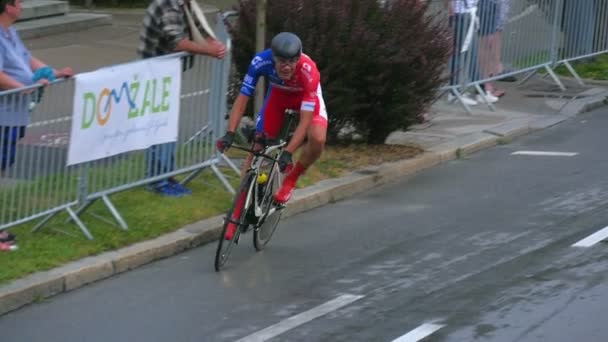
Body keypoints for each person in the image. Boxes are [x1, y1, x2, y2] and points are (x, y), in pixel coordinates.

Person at [216, 32, 328, 218]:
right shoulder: (261, 61)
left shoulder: (309, 71)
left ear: (299, 58)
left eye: (292, 61)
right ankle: (239, 206)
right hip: (279, 96)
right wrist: (230, 132)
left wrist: (288, 152)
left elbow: (305, 121)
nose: (286, 66)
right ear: (273, 57)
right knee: (257, 148)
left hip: (305, 98)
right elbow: (243, 98)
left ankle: (291, 179)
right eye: (281, 61)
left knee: (317, 138)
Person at [0, 0, 73, 247]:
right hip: (4, 113)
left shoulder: (10, 33)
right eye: (18, 2)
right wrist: (23, 88)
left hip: (14, 114)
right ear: (7, 7)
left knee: (3, 165)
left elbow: (28, 60)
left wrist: (53, 73)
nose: (22, 5)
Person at [137, 0, 226, 197]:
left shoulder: (185, 4)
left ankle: (167, 176)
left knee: (167, 128)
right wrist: (210, 51)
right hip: (154, 76)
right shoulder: (167, 6)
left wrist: (215, 44)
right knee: (159, 128)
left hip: (167, 75)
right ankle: (157, 181)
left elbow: (199, 29)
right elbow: (177, 43)